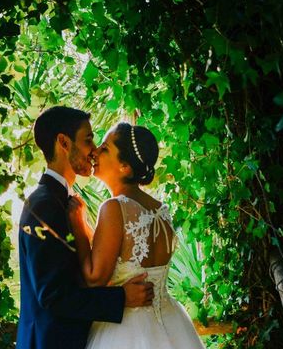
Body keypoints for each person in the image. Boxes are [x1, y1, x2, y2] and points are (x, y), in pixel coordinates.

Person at [17, 107, 155, 349]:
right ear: (64, 142)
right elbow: (53, 296)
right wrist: (121, 298)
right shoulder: (46, 205)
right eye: (88, 140)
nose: (94, 150)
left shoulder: (63, 201)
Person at [67, 122, 205, 348]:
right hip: (171, 324)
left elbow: (94, 278)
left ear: (124, 167)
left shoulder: (114, 208)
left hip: (125, 330)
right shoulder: (161, 210)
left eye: (105, 148)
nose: (96, 151)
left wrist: (78, 224)